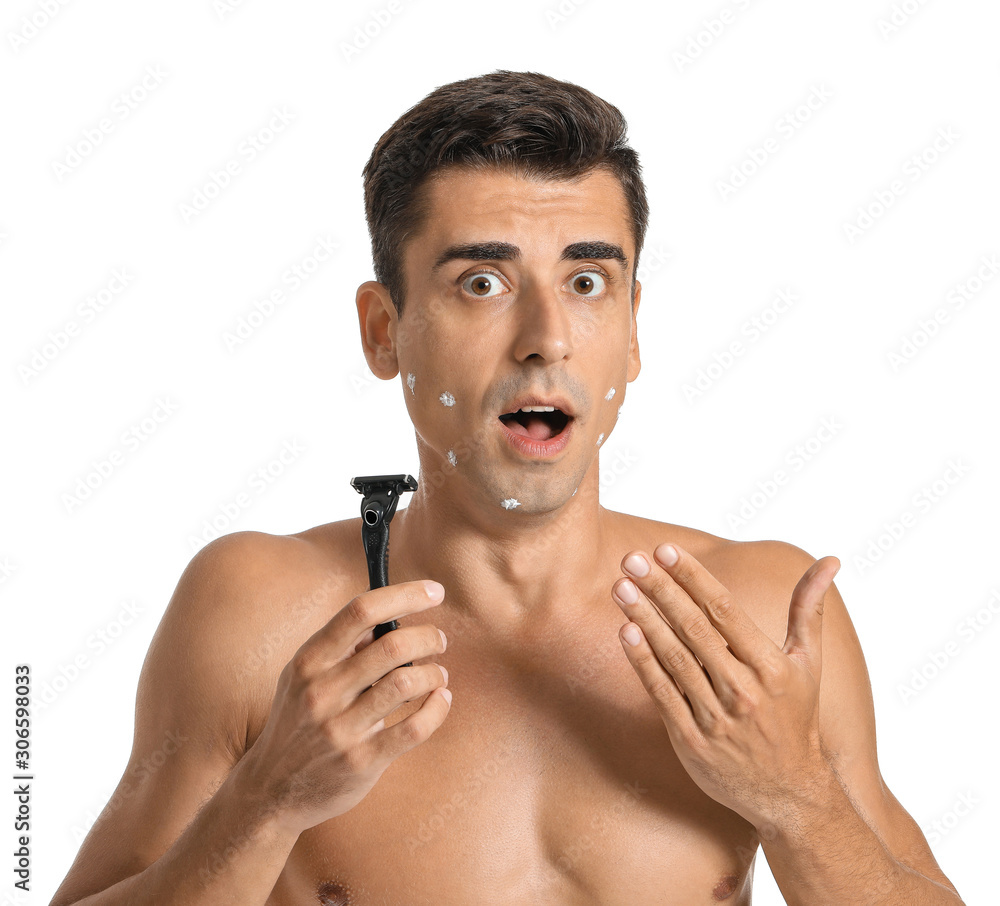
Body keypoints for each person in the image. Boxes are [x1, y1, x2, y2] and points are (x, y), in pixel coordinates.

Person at [50, 70, 965, 906]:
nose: (547, 336)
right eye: (483, 281)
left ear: (634, 328)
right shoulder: (260, 613)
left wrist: (798, 802)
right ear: (383, 332)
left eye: (587, 280)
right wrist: (264, 804)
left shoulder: (759, 618)